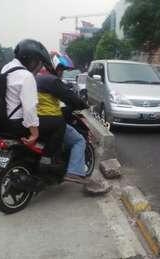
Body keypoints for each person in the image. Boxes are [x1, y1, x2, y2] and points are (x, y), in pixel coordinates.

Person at [36, 51, 109, 193]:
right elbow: (70, 97)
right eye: (61, 69)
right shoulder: (52, 80)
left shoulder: (36, 78)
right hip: (50, 120)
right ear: (55, 66)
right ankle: (74, 172)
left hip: (34, 121)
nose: (62, 73)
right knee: (79, 141)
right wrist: (83, 105)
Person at [0, 39, 51, 146]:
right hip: (15, 124)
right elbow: (29, 108)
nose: (39, 67)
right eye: (38, 62)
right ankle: (47, 159)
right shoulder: (26, 76)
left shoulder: (5, 68)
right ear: (31, 60)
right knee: (57, 125)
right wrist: (34, 133)